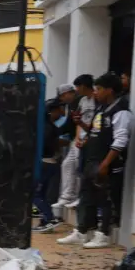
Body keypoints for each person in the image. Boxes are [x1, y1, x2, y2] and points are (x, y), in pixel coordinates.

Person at [58, 72, 130, 249]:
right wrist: (81, 126)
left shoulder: (121, 111)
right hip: (91, 159)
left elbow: (121, 140)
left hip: (106, 164)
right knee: (86, 197)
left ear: (109, 90)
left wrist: (105, 164)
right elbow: (94, 130)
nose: (95, 92)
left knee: (105, 199)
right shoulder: (102, 108)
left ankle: (103, 234)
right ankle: (82, 231)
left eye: (99, 89)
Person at [54, 74, 95, 216]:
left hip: (89, 139)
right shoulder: (83, 101)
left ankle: (79, 197)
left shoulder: (96, 100)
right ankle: (67, 196)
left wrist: (87, 138)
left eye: (77, 87)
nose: (76, 90)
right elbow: (79, 122)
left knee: (80, 167)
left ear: (83, 86)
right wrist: (78, 137)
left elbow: (95, 124)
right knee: (67, 165)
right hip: (78, 139)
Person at [33, 91, 72, 232]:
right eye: (59, 111)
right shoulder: (48, 126)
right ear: (51, 112)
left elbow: (46, 145)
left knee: (35, 194)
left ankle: (50, 218)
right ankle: (45, 222)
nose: (61, 114)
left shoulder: (47, 127)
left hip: (45, 162)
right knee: (42, 194)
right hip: (49, 163)